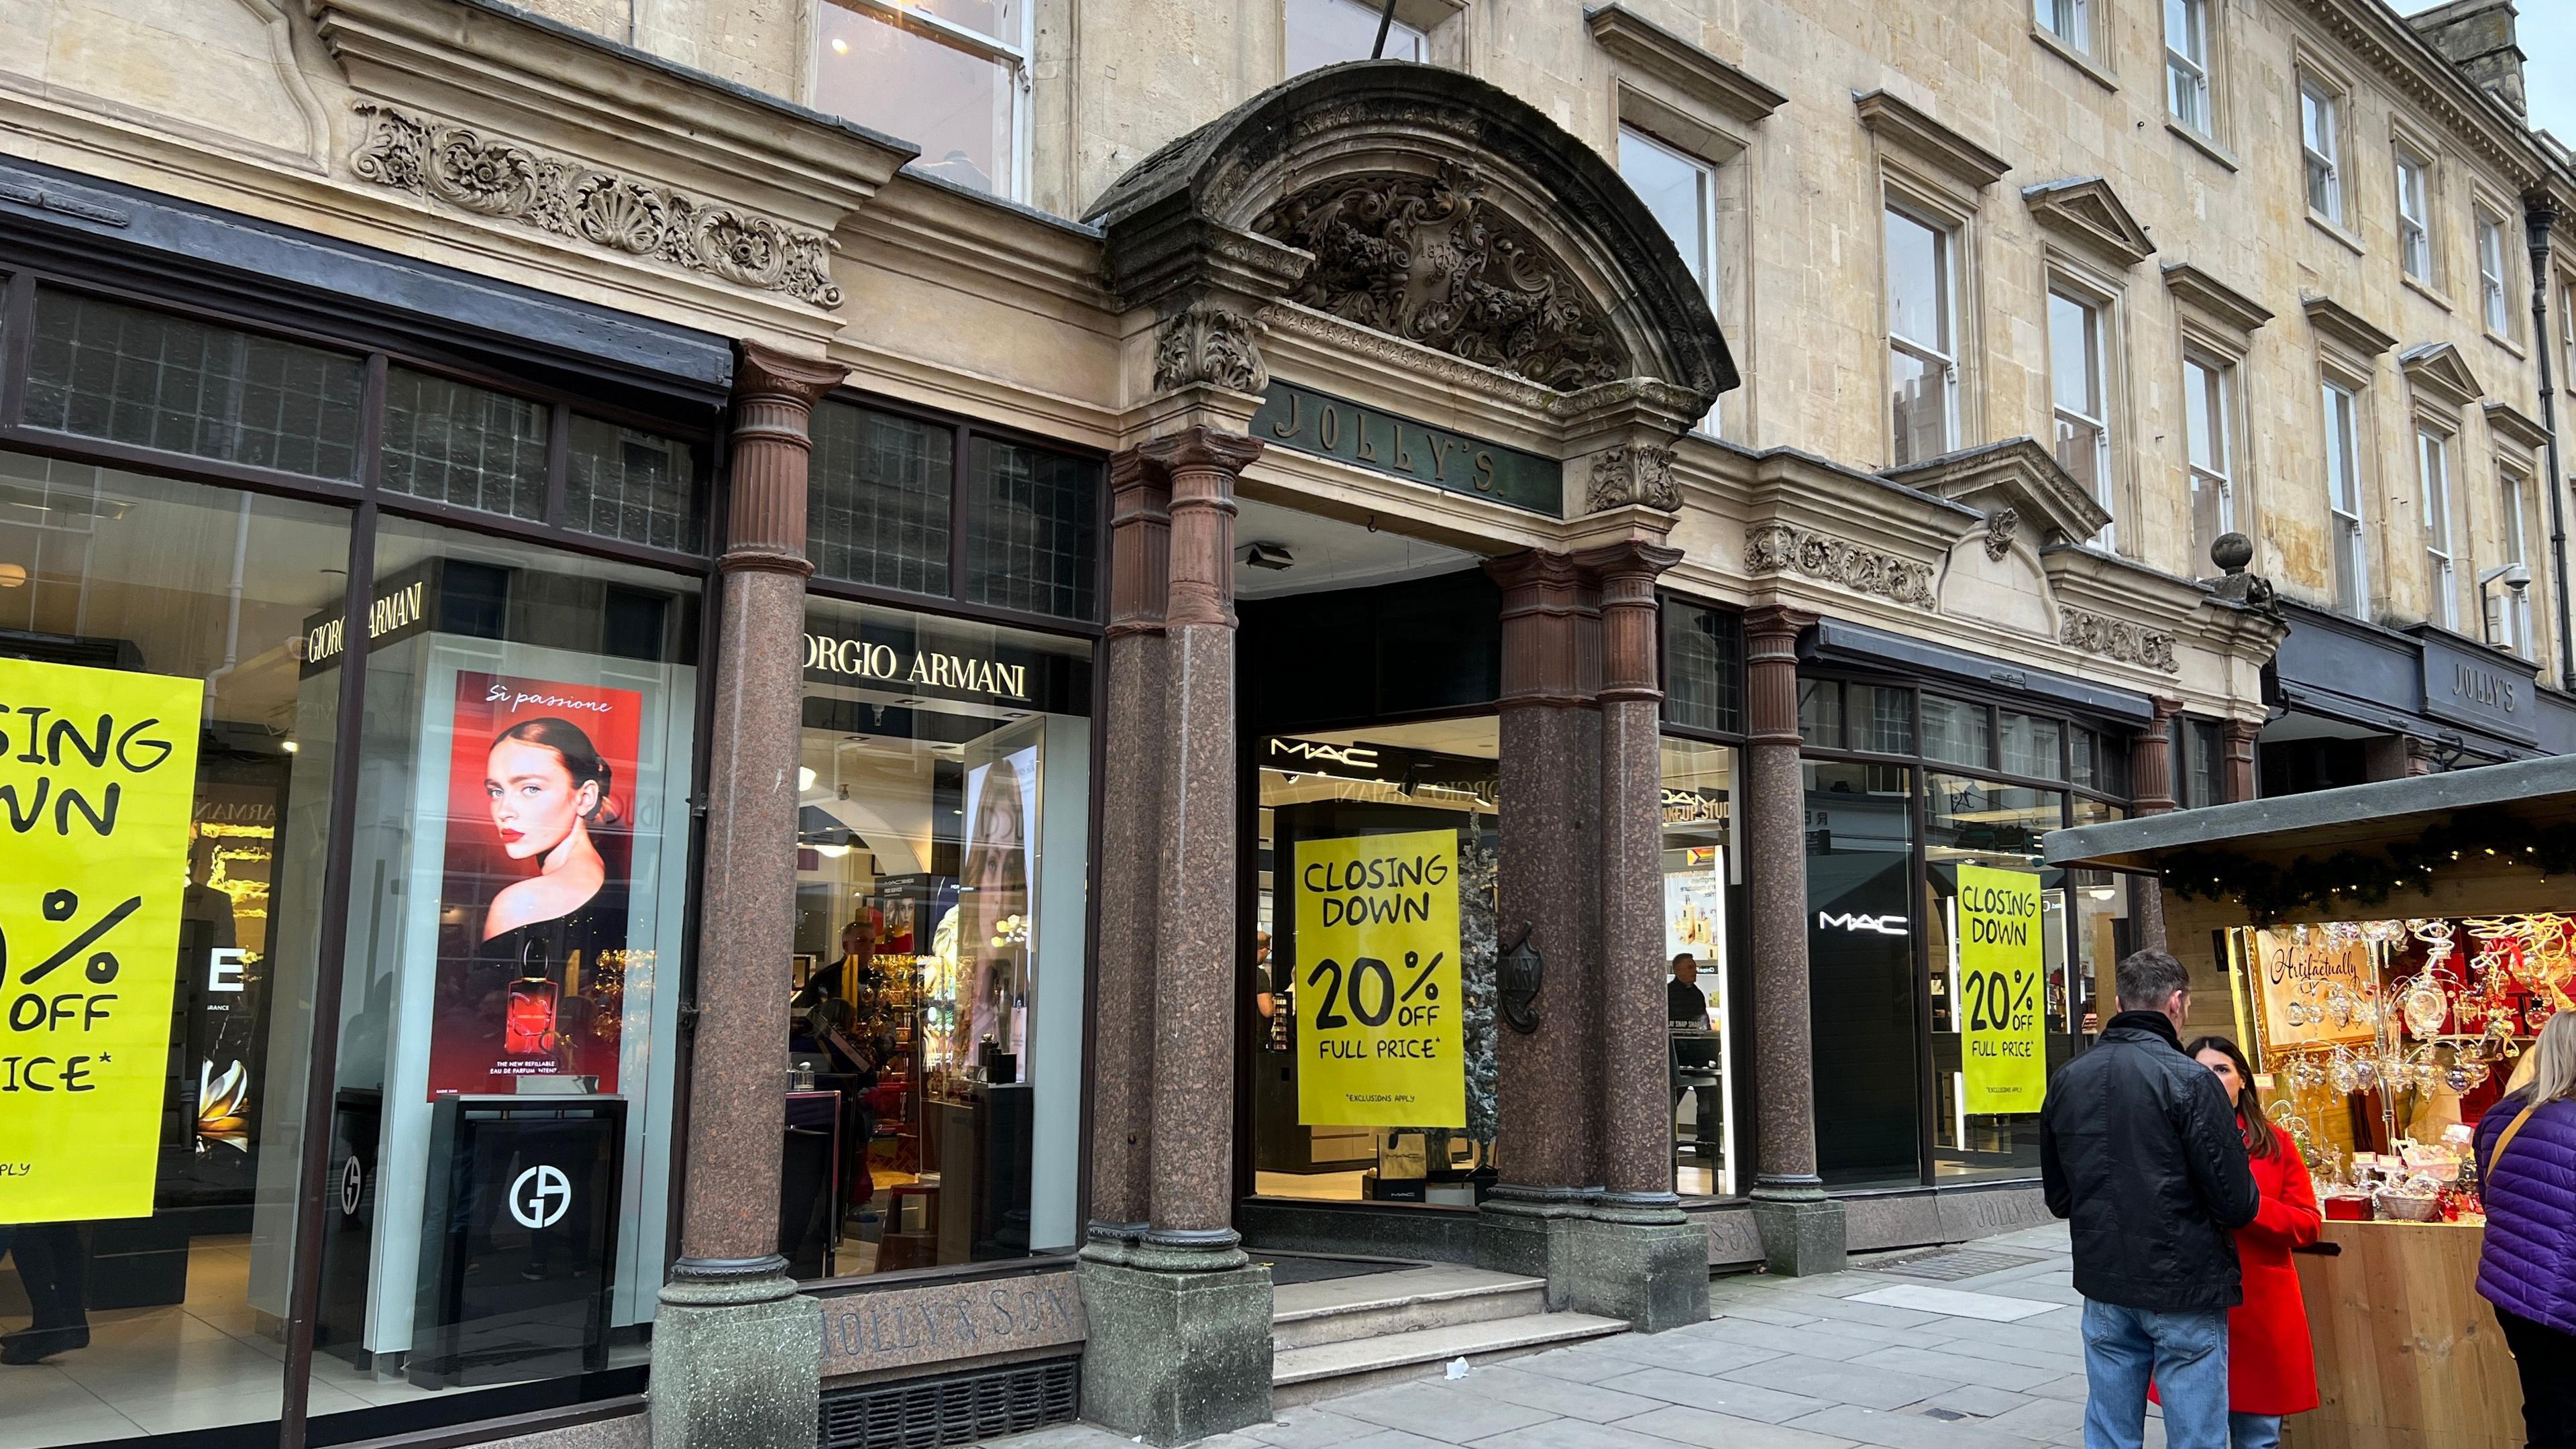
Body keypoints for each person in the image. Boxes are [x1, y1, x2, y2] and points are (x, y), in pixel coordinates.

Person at [2041, 948, 2258, 1449]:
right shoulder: (2190, 1079)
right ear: (2177, 1003)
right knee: (2197, 1436)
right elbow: (2237, 1203)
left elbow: (2059, 1195)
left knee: (2111, 1433)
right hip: (2182, 1279)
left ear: (2119, 1002)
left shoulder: (2070, 1077)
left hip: (2105, 1279)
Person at [2158, 1036, 2320, 1449]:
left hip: (2261, 1305)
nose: (2212, 1080)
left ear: (2243, 1080)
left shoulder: (2275, 1142)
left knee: (2259, 1439)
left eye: (2222, 1069)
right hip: (2196, 1302)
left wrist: (2249, 1209)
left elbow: (2306, 1224)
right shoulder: (2170, 1143)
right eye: (2201, 1071)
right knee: (2196, 1437)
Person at [2473, 1010, 2576, 1449]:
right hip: (2565, 1294)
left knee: (2544, 1410)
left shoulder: (2502, 1114)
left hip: (2515, 1291)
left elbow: (2488, 1193)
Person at [1668, 953, 1709, 1024]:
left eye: (1695, 968)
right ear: (1677, 970)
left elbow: (1703, 1020)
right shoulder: (1668, 994)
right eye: (1690, 968)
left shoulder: (1698, 994)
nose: (1695, 971)